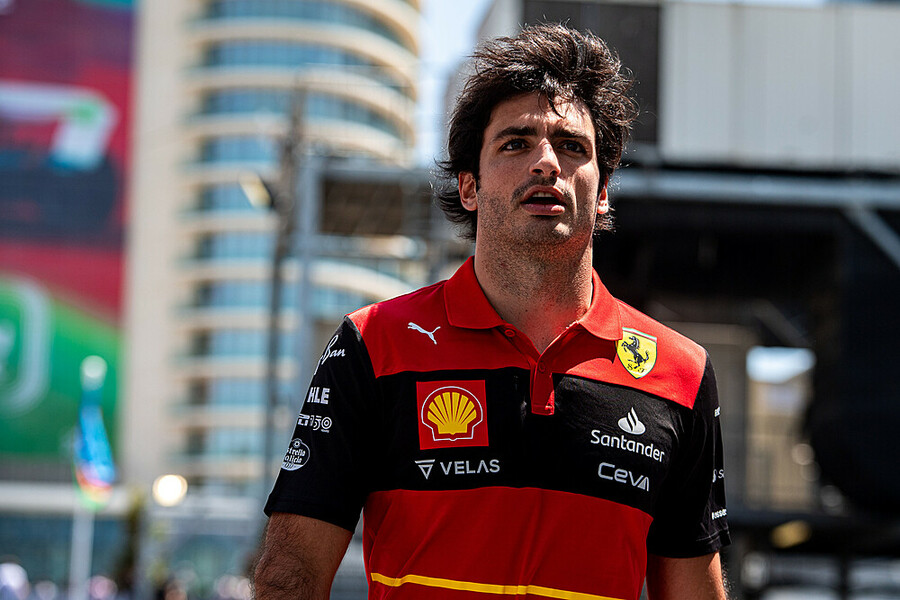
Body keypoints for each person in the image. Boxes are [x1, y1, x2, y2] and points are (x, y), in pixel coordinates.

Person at [255, 23, 730, 600]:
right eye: (515, 143)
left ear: (603, 191)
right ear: (470, 188)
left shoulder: (682, 374)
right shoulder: (373, 343)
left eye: (573, 147)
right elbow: (291, 576)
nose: (546, 163)